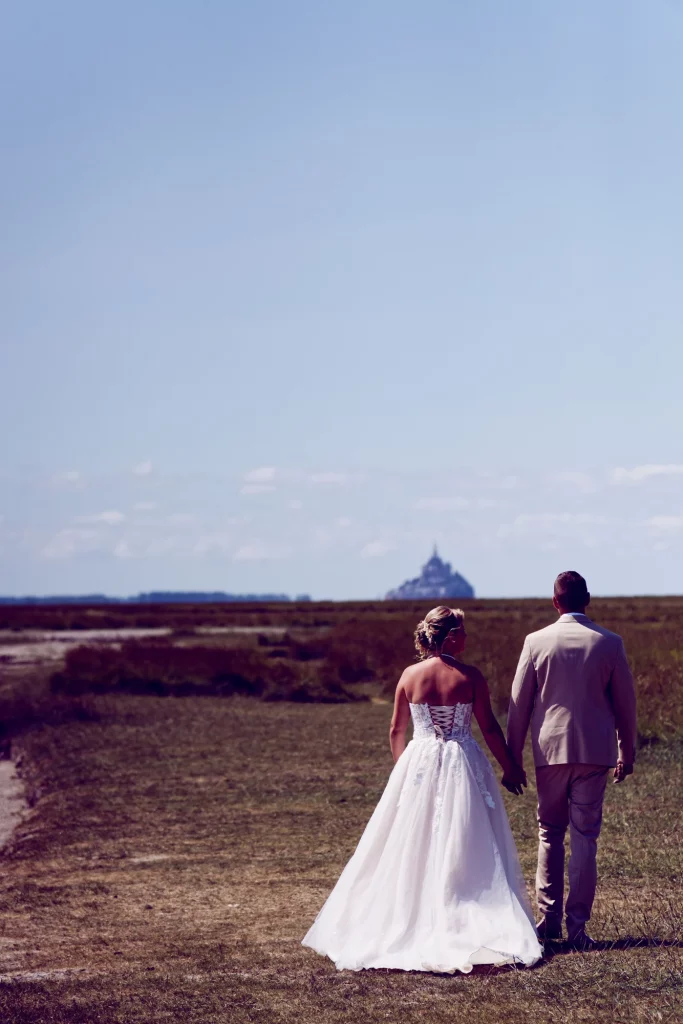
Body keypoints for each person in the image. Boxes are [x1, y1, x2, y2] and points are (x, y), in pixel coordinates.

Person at [302, 606, 542, 974]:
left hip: (420, 762)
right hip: (462, 761)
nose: (467, 637)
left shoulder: (409, 676)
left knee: (414, 839)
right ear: (450, 637)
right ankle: (460, 908)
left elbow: (396, 730)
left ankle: (415, 912)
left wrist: (405, 770)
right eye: (462, 631)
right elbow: (490, 728)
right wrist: (510, 766)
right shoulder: (470, 676)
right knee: (466, 836)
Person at [507, 571, 637, 950]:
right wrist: (626, 751)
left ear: (555, 601)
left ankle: (548, 920)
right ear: (588, 599)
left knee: (550, 832)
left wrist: (513, 759)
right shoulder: (610, 643)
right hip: (595, 752)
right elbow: (625, 705)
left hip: (549, 751)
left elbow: (518, 706)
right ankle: (577, 927)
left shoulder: (536, 642)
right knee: (585, 838)